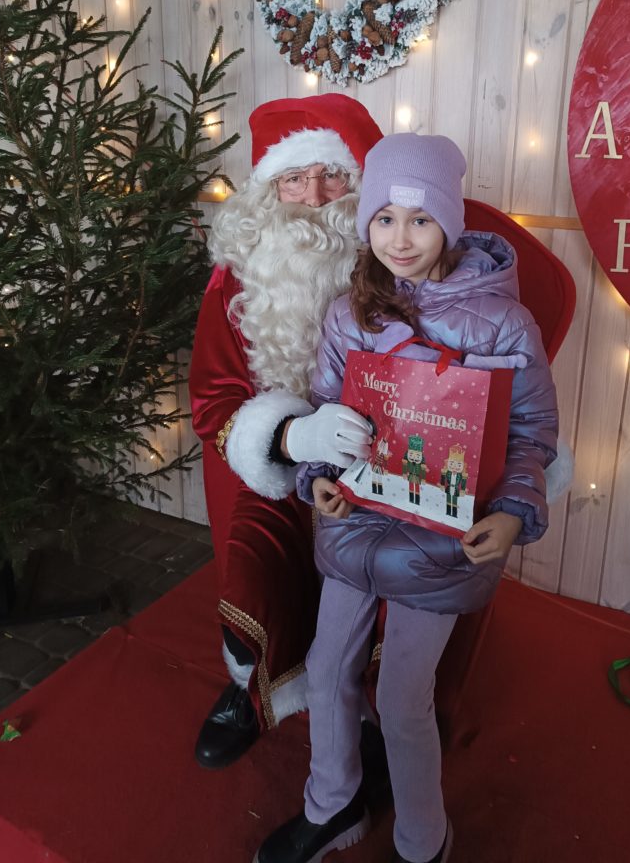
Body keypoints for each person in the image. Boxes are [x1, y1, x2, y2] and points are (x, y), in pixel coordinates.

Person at [253, 133, 559, 863]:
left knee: (400, 698)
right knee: (327, 671)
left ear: (449, 220)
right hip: (356, 524)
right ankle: (331, 805)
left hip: (440, 539)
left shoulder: (503, 323)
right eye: (385, 218)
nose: (400, 238)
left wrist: (511, 512)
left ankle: (425, 840)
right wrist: (317, 476)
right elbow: (327, 410)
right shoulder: (348, 314)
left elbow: (532, 433)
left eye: (420, 219)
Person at [189, 93, 382, 768]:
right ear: (268, 191)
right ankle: (254, 683)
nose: (314, 196)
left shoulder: (391, 259)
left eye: (332, 176)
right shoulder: (233, 280)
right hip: (267, 468)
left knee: (385, 560)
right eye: (295, 178)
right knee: (256, 558)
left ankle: (378, 705)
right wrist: (292, 439)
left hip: (371, 459)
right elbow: (212, 401)